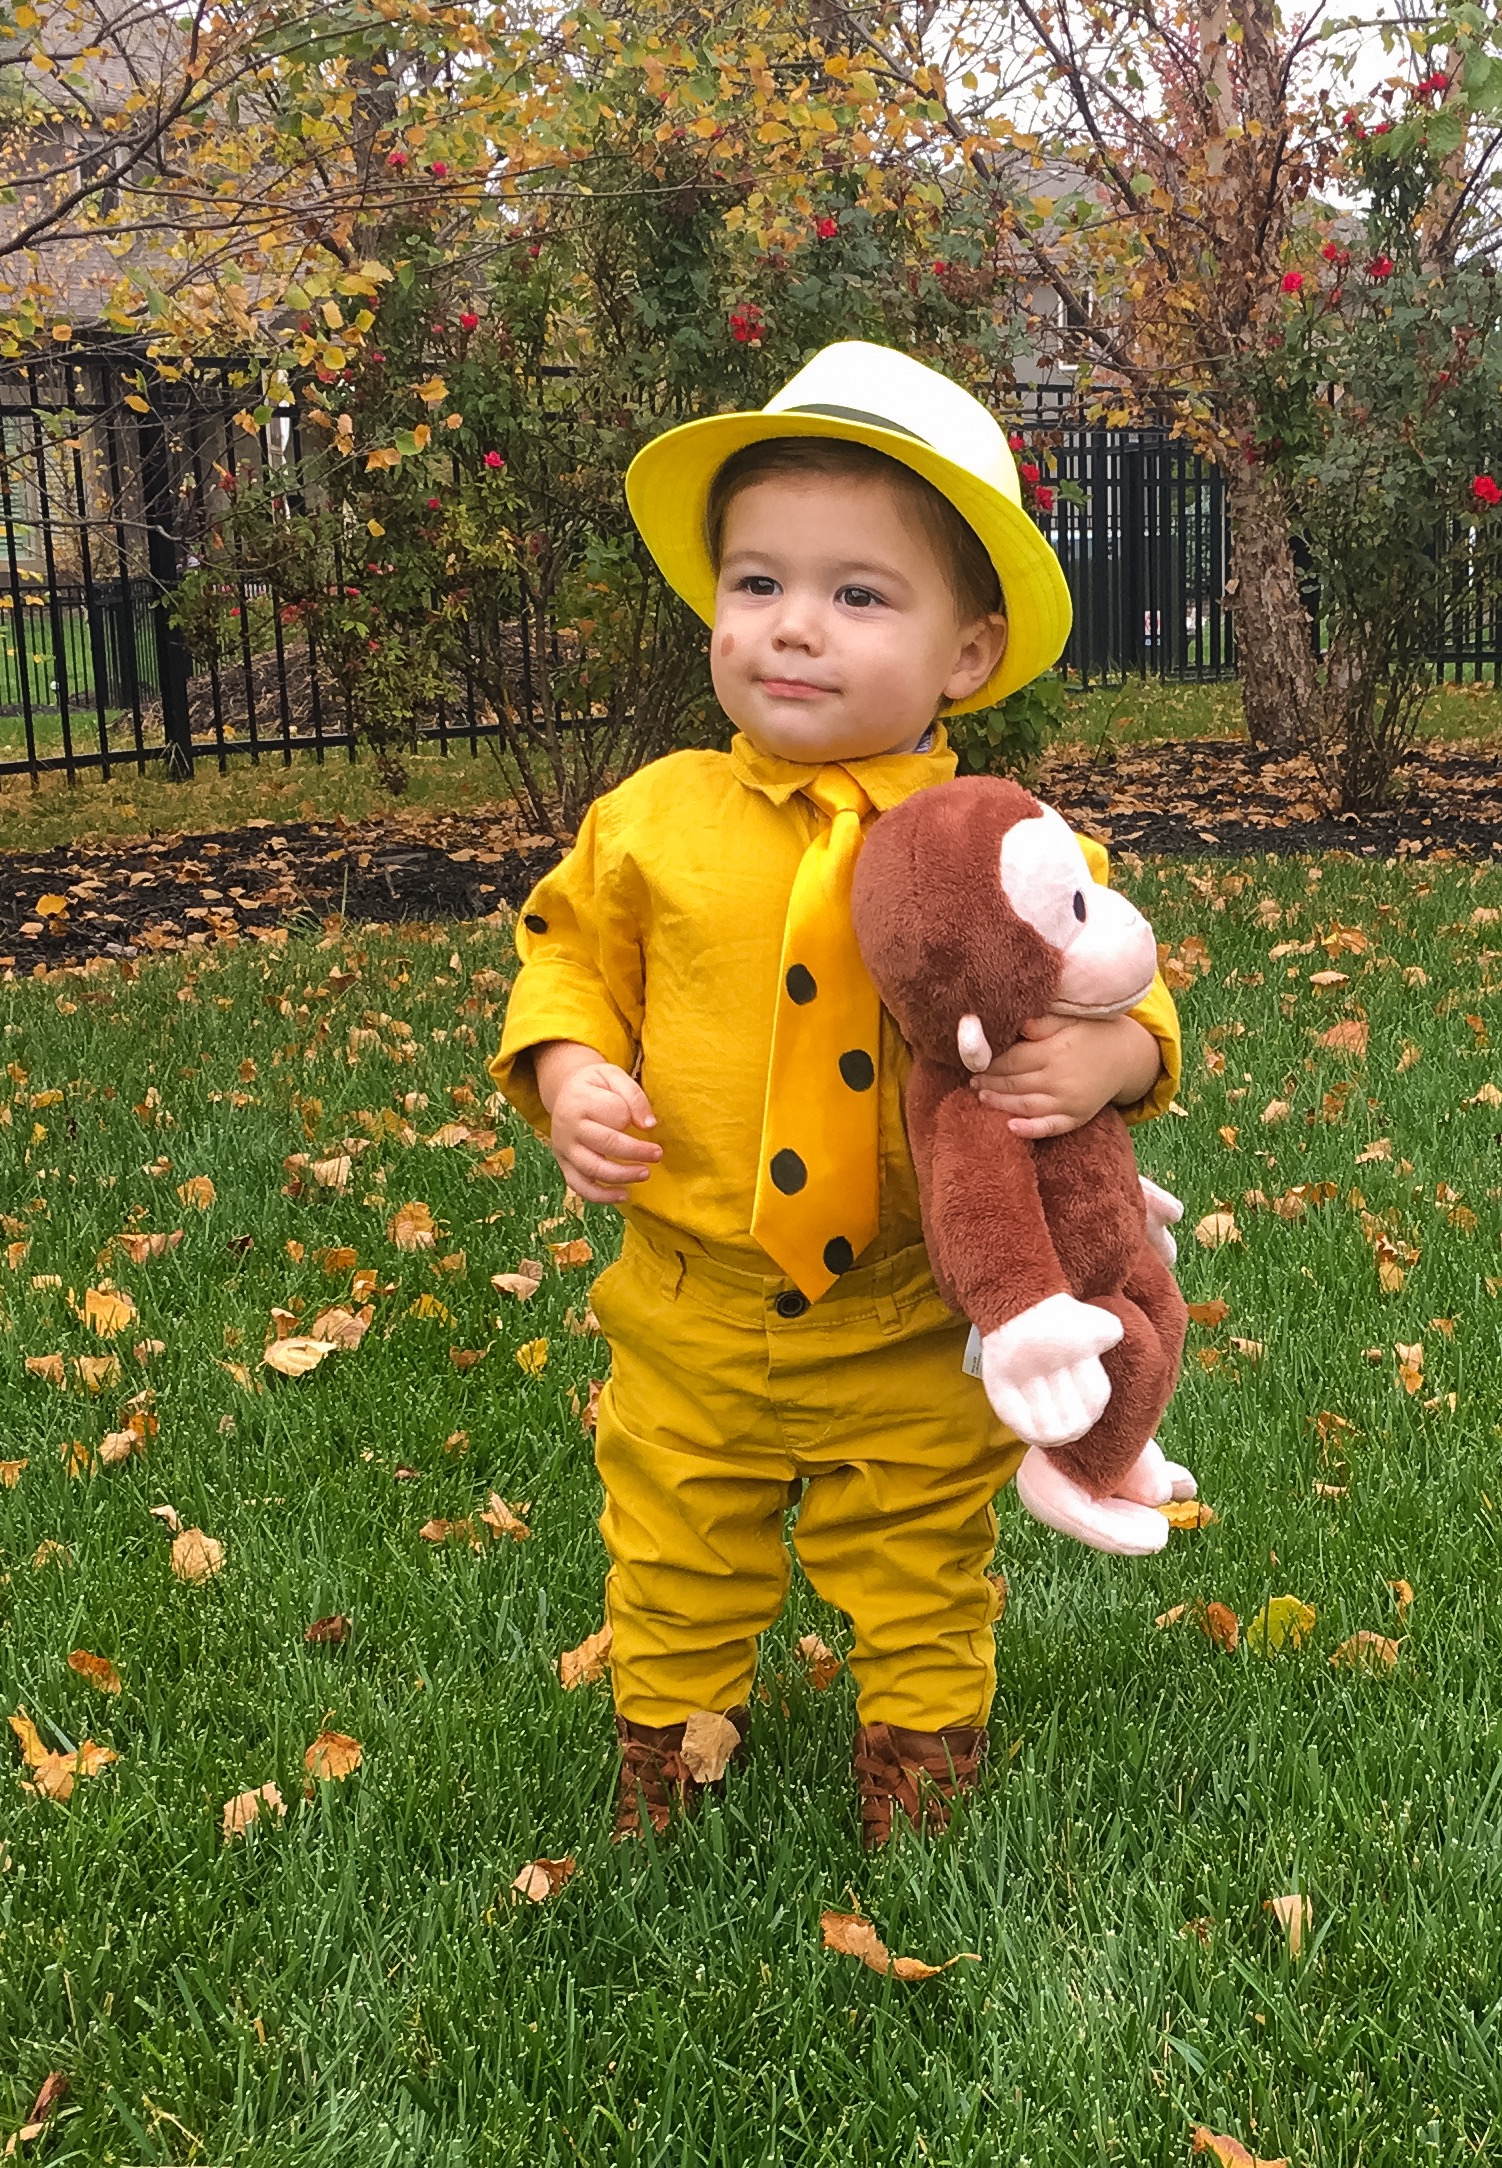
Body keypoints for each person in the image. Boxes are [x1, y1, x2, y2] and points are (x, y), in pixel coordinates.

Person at [489, 342, 1186, 1847]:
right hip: (689, 1306)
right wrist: (569, 1070)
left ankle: (918, 1780)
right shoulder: (650, 819)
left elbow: (1117, 978)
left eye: (859, 596)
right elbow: (566, 955)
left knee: (919, 1553)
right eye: (757, 584)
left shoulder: (995, 841)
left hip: (912, 1312)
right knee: (672, 1543)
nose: (794, 627)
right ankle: (661, 1762)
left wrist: (1115, 1058)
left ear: (966, 655)